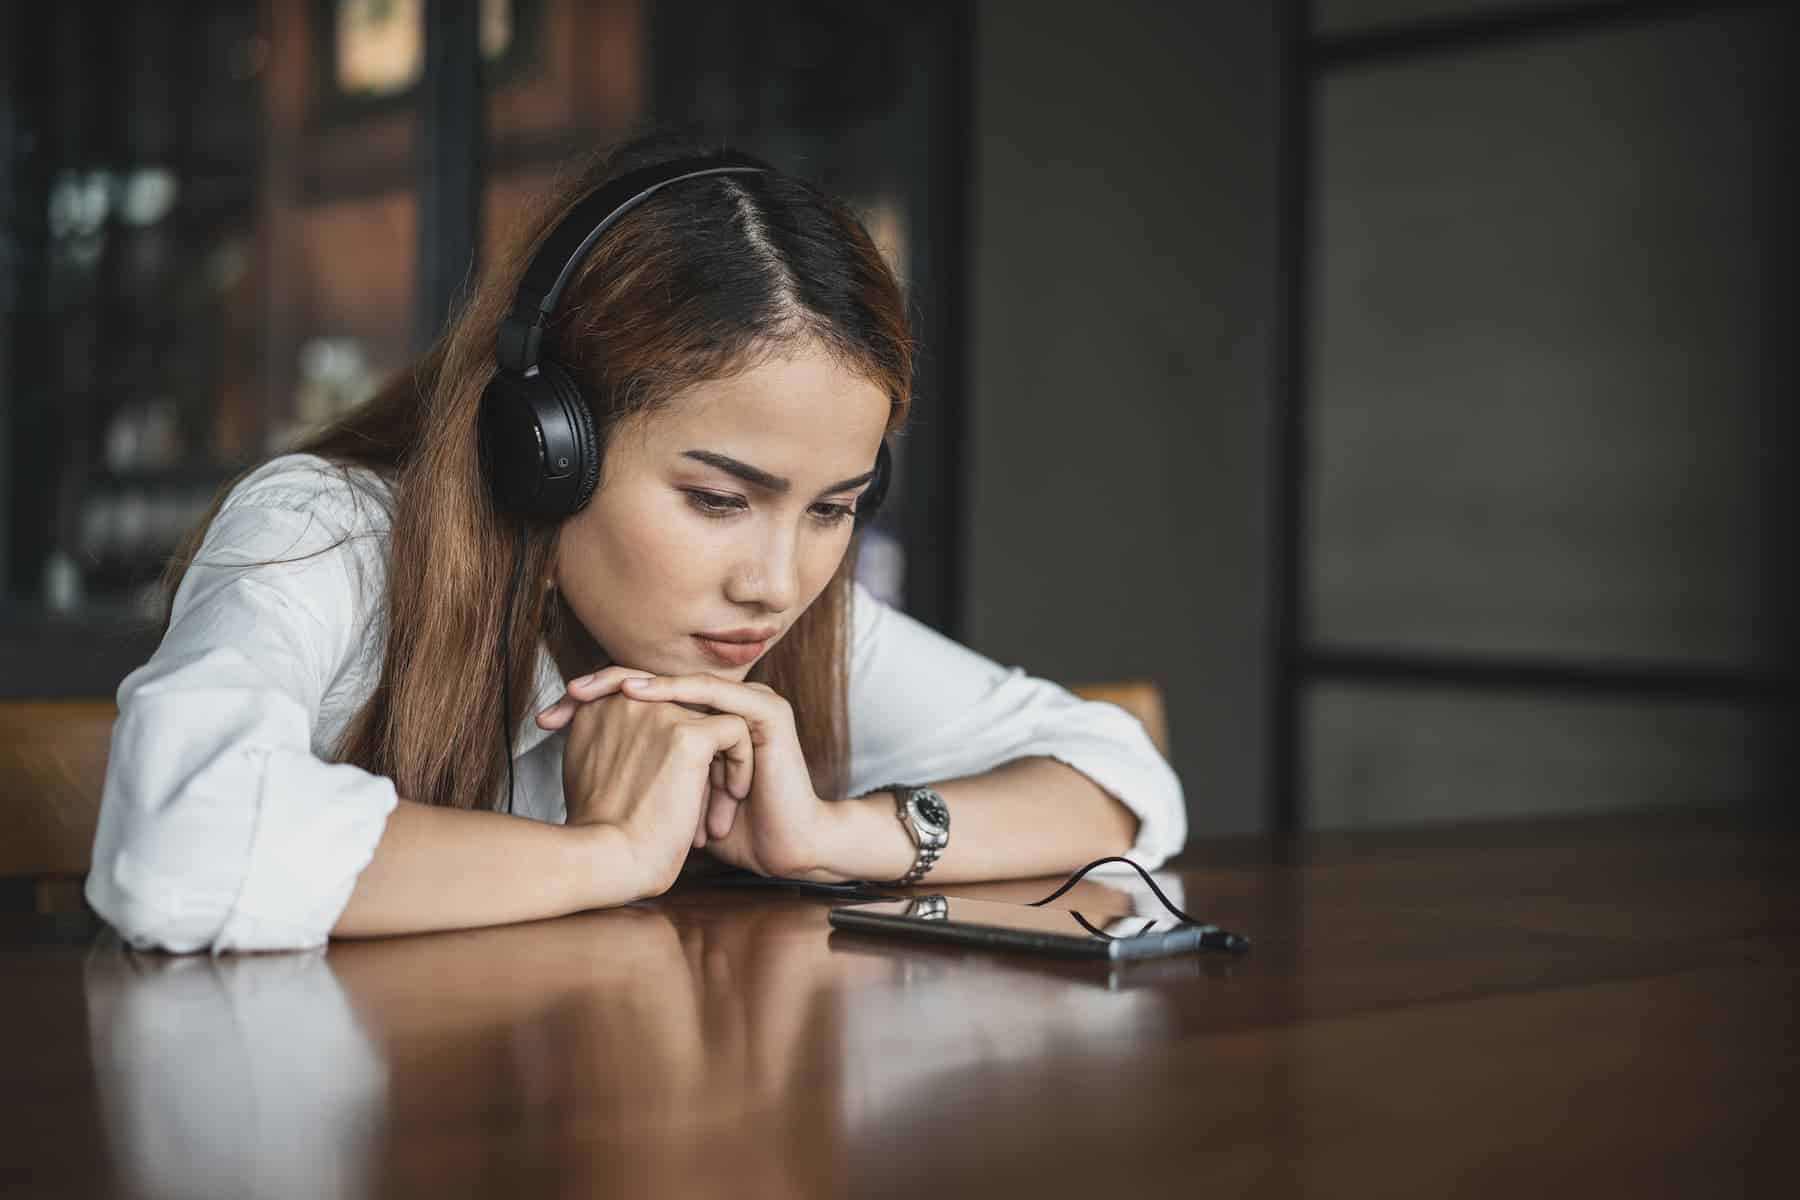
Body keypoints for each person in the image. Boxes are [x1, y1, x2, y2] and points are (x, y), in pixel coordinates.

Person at [84, 138, 1185, 954]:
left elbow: (1118, 778)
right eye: (717, 499)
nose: (777, 583)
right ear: (542, 447)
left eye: (832, 508)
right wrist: (604, 854)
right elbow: (179, 848)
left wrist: (828, 836)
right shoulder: (325, 534)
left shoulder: (759, 615)